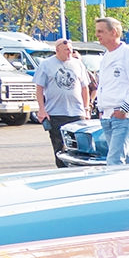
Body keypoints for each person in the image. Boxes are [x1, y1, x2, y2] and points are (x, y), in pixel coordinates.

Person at [93, 16, 129, 166]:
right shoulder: (105, 57)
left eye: (101, 31)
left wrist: (123, 109)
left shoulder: (128, 54)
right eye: (97, 31)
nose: (97, 35)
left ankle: (116, 187)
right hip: (108, 116)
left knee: (114, 160)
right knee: (123, 158)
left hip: (124, 116)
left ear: (114, 32)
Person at [34, 37, 92, 167]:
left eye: (71, 50)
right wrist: (42, 109)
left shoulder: (78, 64)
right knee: (59, 146)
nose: (69, 53)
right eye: (66, 50)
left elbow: (85, 88)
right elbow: (39, 88)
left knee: (79, 145)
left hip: (77, 112)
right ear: (57, 50)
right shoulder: (46, 64)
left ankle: (78, 169)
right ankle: (62, 170)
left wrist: (86, 108)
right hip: (56, 113)